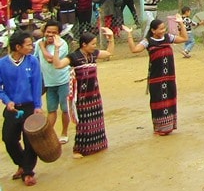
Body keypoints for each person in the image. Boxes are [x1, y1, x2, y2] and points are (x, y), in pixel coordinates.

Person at [126, 18, 188, 135]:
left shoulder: (168, 37)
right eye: (161, 29)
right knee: (158, 101)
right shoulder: (148, 41)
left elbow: (184, 38)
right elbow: (134, 50)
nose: (163, 30)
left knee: (170, 99)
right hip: (156, 79)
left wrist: (181, 24)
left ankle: (169, 126)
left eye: (164, 28)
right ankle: (160, 128)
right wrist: (129, 34)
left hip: (169, 77)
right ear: (153, 30)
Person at [0, 31, 44, 186]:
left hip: (29, 106)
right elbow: (0, 87)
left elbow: (37, 85)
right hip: (12, 108)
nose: (31, 47)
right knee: (8, 138)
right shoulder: (2, 64)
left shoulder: (32, 61)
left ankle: (28, 172)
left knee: (30, 141)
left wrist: (37, 106)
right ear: (17, 47)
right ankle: (22, 163)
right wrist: (7, 101)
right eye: (28, 44)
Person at [67, 29, 115, 157]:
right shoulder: (74, 57)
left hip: (94, 94)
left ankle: (97, 145)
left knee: (96, 119)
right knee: (83, 122)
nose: (95, 46)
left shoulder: (94, 54)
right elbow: (58, 65)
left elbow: (109, 53)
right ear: (84, 44)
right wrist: (56, 49)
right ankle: (79, 149)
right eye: (93, 44)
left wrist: (111, 38)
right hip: (81, 96)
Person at [34, 19, 72, 145]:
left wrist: (42, 47)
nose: (50, 35)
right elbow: (35, 59)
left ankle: (64, 133)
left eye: (53, 33)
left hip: (63, 81)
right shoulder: (39, 43)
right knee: (51, 110)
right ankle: (48, 135)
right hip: (49, 82)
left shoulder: (62, 44)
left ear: (59, 34)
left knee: (65, 109)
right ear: (44, 32)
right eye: (48, 32)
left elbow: (50, 59)